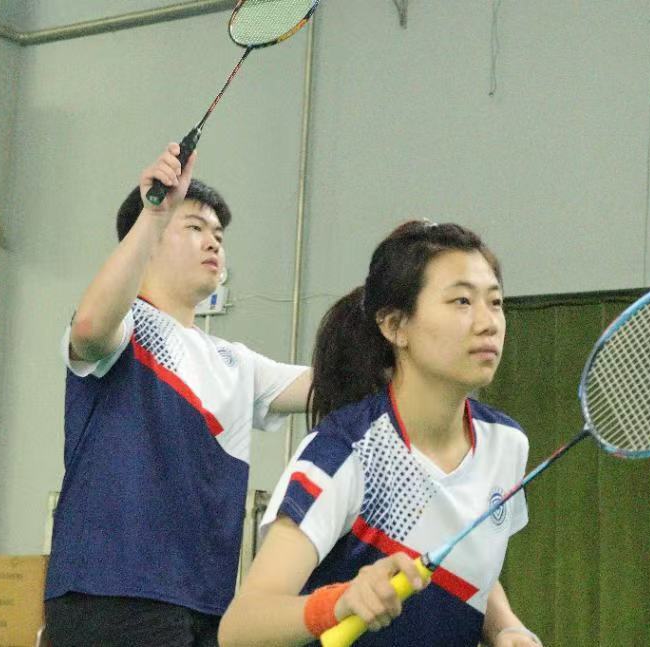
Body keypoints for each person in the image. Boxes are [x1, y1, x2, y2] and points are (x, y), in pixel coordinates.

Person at [218, 221, 541, 646]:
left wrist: (506, 627)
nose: (489, 323)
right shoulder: (345, 453)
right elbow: (241, 627)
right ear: (395, 326)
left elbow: (466, 561)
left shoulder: (506, 445)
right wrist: (340, 602)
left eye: (495, 302)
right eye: (462, 301)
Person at [44, 143, 311, 647]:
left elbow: (331, 385)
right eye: (194, 227)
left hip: (207, 603)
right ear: (147, 241)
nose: (214, 243)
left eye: (219, 235)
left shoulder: (235, 362)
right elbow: (90, 328)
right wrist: (154, 212)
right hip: (110, 595)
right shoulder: (126, 327)